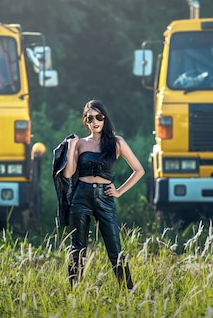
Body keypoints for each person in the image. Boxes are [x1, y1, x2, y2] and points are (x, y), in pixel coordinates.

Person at [61, 99, 145, 290]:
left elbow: (139, 170)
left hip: (105, 198)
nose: (95, 121)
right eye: (90, 118)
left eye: (98, 117)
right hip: (80, 197)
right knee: (77, 249)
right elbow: (68, 174)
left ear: (104, 118)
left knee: (115, 248)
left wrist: (119, 191)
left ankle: (129, 291)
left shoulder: (117, 142)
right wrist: (72, 147)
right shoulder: (81, 143)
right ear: (86, 121)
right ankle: (73, 292)